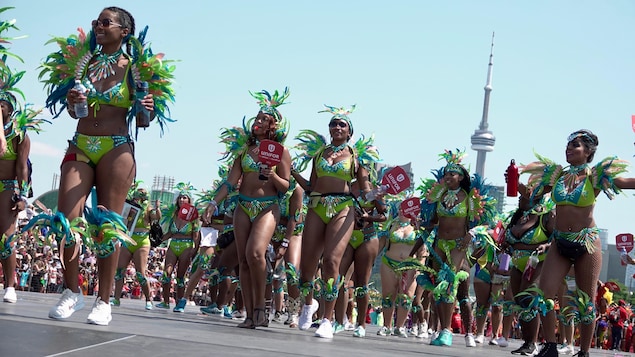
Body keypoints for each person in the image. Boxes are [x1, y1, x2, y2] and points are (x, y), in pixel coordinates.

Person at [35, 6, 175, 325]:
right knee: (66, 221)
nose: (98, 26)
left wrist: (147, 108)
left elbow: (145, 120)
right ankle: (72, 291)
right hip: (81, 144)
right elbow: (77, 114)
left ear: (124, 31)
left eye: (105, 22)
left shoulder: (136, 70)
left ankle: (104, 300)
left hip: (117, 148)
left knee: (107, 228)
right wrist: (72, 104)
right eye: (96, 22)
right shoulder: (83, 65)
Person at [521, 129, 635, 357]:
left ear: (589, 152)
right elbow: (530, 199)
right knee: (544, 294)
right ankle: (551, 345)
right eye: (568, 145)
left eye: (576, 146)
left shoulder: (596, 177)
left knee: (586, 300)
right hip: (560, 242)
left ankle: (583, 352)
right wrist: (520, 189)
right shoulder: (556, 176)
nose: (569, 149)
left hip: (587, 243)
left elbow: (627, 183)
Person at [204, 88, 292, 329]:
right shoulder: (244, 152)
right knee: (243, 260)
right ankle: (251, 314)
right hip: (243, 205)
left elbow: (286, 187)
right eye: (257, 117)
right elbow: (230, 182)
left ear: (273, 126)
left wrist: (272, 175)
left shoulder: (282, 152)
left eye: (265, 119)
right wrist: (213, 203)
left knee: (256, 253)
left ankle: (261, 307)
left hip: (267, 207)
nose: (259, 121)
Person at [291, 105, 379, 339]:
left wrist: (377, 196)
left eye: (342, 124)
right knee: (308, 264)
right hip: (317, 206)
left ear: (349, 132)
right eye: (333, 124)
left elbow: (365, 192)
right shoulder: (319, 154)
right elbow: (310, 186)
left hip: (343, 207)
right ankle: (309, 305)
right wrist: (292, 173)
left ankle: (328, 320)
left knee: (331, 261)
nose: (337, 127)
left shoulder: (355, 157)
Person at [412, 149, 497, 347]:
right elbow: (432, 222)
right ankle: (443, 329)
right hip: (439, 244)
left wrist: (471, 234)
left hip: (459, 245)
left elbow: (487, 224)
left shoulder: (471, 198)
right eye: (446, 173)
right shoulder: (439, 196)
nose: (448, 176)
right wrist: (420, 224)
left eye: (452, 173)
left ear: (460, 177)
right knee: (438, 288)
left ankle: (462, 332)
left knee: (454, 286)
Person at [0, 17, 45, 302]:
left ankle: (10, 286)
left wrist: (21, 195)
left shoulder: (18, 133)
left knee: (5, 239)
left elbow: (21, 166)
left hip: (6, 187)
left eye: (2, 103)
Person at [499, 183, 555, 356]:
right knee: (520, 303)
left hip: (538, 262)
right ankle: (528, 343)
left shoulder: (547, 215)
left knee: (528, 299)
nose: (520, 198)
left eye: (523, 195)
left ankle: (536, 343)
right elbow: (508, 239)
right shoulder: (518, 216)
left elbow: (557, 238)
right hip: (517, 262)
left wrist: (546, 246)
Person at [333, 179, 385, 338]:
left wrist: (368, 217)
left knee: (362, 283)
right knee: (338, 279)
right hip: (346, 236)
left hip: (367, 237)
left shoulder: (374, 190)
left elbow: (384, 215)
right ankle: (339, 321)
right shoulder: (344, 185)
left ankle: (361, 324)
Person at [112, 184, 160, 310]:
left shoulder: (148, 209)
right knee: (119, 271)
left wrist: (157, 208)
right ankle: (116, 299)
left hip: (142, 241)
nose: (138, 198)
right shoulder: (129, 208)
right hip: (128, 240)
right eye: (137, 195)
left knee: (141, 273)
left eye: (141, 196)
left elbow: (156, 218)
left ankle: (148, 300)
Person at [156, 184, 199, 311]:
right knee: (166, 273)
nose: (181, 200)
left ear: (189, 200)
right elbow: (170, 233)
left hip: (186, 246)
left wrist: (194, 251)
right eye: (180, 197)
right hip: (173, 244)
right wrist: (159, 240)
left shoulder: (193, 216)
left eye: (184, 197)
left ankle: (180, 303)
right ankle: (165, 301)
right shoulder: (174, 214)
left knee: (180, 276)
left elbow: (196, 236)